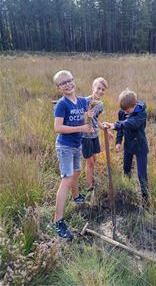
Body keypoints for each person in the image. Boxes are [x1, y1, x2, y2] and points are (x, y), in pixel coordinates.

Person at [53, 70, 93, 240]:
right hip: (65, 146)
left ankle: (76, 197)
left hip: (77, 144)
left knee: (76, 172)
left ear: (74, 81)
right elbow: (58, 128)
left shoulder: (82, 101)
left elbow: (90, 105)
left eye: (69, 80)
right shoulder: (62, 104)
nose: (68, 84)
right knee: (67, 179)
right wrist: (81, 128)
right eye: (63, 83)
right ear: (59, 87)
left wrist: (89, 116)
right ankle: (58, 221)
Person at [104, 89, 149, 205]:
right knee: (126, 170)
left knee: (141, 175)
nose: (126, 112)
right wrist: (118, 142)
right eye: (124, 110)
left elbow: (132, 123)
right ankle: (127, 194)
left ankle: (145, 199)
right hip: (128, 146)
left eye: (128, 110)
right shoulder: (123, 112)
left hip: (140, 146)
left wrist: (116, 125)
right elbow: (122, 128)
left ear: (134, 104)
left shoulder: (141, 113)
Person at [82, 77, 113, 192]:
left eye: (103, 89)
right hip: (85, 136)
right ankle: (89, 188)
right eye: (98, 88)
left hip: (95, 135)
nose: (100, 91)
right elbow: (79, 118)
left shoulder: (100, 104)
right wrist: (86, 116)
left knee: (94, 160)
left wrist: (106, 130)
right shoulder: (84, 101)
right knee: (89, 162)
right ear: (93, 88)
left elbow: (96, 119)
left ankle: (92, 179)